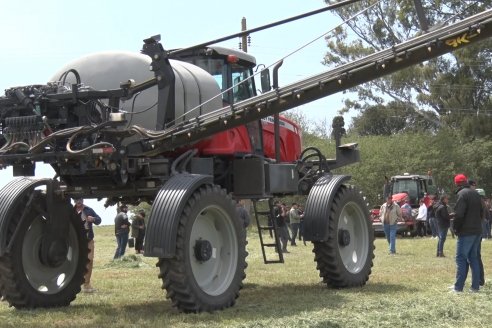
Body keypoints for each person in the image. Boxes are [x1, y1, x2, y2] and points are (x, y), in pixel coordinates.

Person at [451, 173, 483, 293]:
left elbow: (459, 214)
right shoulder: (475, 193)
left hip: (466, 231)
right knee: (473, 258)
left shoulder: (462, 194)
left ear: (456, 183)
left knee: (461, 258)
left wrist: (455, 228)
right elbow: (481, 212)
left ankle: (458, 288)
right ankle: (475, 287)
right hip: (477, 230)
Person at [74, 198, 101, 293]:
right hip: (75, 241)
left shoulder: (89, 210)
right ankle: (74, 284)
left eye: (80, 199)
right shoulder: (71, 210)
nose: (78, 201)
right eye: (76, 199)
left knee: (89, 260)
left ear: (83, 200)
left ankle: (86, 285)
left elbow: (99, 220)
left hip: (88, 240)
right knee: (74, 262)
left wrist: (93, 219)